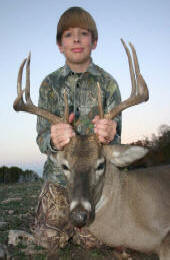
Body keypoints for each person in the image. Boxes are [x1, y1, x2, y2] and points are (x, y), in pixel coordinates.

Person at [34, 6, 121, 249]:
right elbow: (41, 138)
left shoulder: (108, 84)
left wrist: (111, 135)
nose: (76, 39)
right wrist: (53, 139)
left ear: (94, 42)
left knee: (94, 242)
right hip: (60, 180)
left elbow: (117, 140)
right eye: (68, 34)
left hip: (95, 181)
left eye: (83, 33)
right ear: (60, 45)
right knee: (48, 240)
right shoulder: (49, 85)